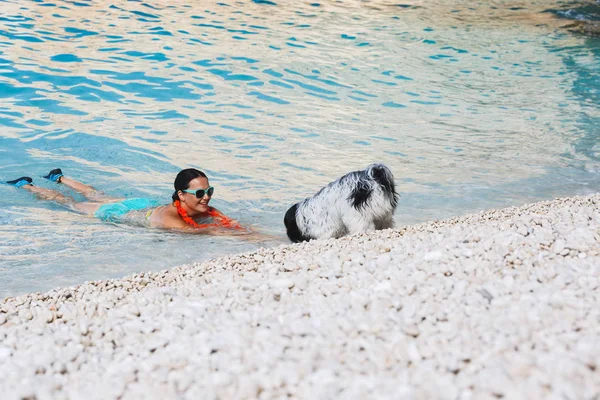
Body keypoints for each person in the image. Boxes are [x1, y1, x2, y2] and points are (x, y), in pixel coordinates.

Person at [6, 168, 276, 239]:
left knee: (95, 192)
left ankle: (60, 176)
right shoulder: (172, 218)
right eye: (199, 193)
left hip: (140, 205)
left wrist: (249, 232)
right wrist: (253, 235)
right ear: (181, 195)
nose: (206, 197)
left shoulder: (201, 207)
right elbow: (204, 231)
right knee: (69, 204)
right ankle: (27, 185)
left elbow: (225, 224)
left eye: (209, 191)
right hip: (116, 212)